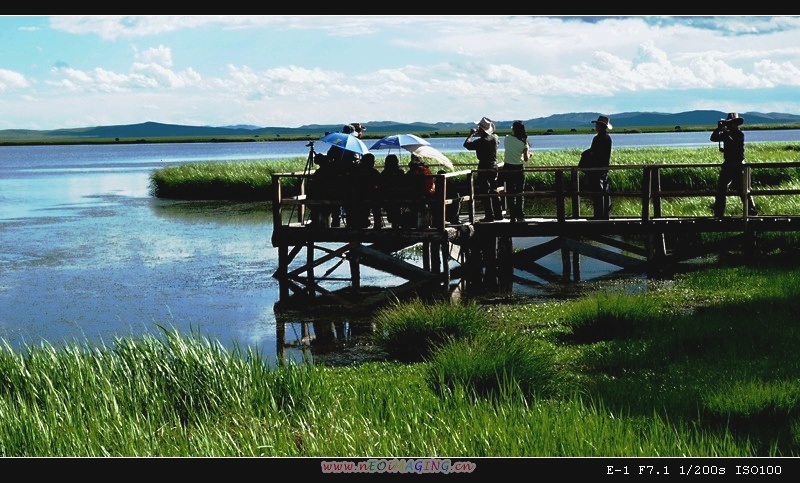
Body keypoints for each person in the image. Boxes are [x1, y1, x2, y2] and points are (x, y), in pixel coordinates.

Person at [710, 112, 757, 217]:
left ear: (736, 124)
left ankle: (752, 213)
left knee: (743, 190)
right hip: (728, 164)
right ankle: (718, 214)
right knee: (721, 189)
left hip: (738, 165)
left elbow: (733, 141)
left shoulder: (739, 134)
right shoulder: (727, 134)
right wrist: (718, 129)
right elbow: (713, 138)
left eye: (732, 123)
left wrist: (724, 132)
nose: (731, 125)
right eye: (730, 123)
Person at [464, 116, 503, 222]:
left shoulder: (480, 141)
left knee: (485, 192)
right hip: (494, 166)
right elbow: (497, 142)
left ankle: (489, 215)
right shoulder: (495, 138)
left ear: (482, 129)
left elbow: (466, 145)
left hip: (483, 167)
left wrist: (471, 134)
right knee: (494, 191)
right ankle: (498, 214)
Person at [580, 115, 613, 220]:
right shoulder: (608, 138)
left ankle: (598, 216)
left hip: (596, 169)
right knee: (604, 192)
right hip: (604, 168)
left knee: (597, 193)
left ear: (600, 126)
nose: (595, 126)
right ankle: (605, 215)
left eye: (597, 124)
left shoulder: (597, 138)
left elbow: (594, 153)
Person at [502, 120, 531, 223]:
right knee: (520, 193)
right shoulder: (524, 142)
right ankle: (520, 215)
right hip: (519, 168)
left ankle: (512, 216)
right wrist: (530, 154)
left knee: (510, 193)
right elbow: (526, 159)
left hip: (508, 168)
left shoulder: (506, 138)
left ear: (513, 129)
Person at [351, 152, 383, 229]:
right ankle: (377, 222)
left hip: (358, 196)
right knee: (376, 201)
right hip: (372, 197)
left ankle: (362, 221)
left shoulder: (357, 172)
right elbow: (380, 184)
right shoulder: (374, 172)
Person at [378, 153, 405, 228]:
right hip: (399, 196)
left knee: (391, 205)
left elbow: (381, 185)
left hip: (387, 197)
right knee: (396, 205)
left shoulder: (384, 173)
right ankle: (396, 222)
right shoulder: (400, 172)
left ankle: (394, 221)